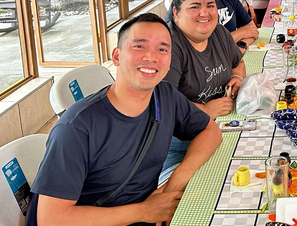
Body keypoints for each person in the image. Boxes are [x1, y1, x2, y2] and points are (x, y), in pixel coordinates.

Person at [26, 13, 222, 226]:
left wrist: (176, 181)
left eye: (162, 49)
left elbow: (210, 130)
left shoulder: (164, 97)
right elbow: (50, 219)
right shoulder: (77, 127)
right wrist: (144, 212)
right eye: (139, 46)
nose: (151, 56)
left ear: (169, 62)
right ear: (117, 56)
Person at [163, 0, 246, 170]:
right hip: (180, 140)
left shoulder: (219, 33)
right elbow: (164, 104)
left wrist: (237, 78)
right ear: (176, 13)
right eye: (194, 7)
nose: (205, 13)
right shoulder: (168, 46)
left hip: (220, 127)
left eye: (210, 5)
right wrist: (206, 110)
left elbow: (238, 62)